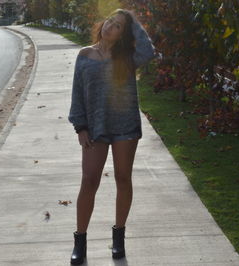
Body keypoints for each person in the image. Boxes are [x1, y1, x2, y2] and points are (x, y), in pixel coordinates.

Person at [68, 8, 157, 265]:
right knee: (89, 180)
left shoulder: (128, 57)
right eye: (110, 21)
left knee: (122, 178)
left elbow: (149, 51)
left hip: (125, 126)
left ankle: (118, 238)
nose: (110, 26)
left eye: (118, 26)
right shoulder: (84, 55)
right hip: (95, 127)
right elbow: (77, 94)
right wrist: (80, 127)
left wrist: (130, 18)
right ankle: (80, 241)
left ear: (123, 34)